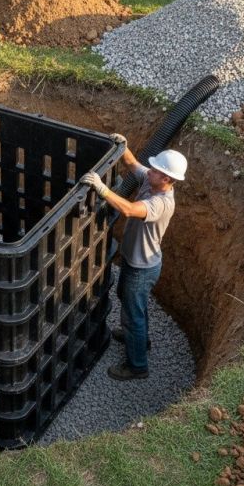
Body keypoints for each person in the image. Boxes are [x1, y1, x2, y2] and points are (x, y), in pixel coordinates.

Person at [80, 136, 187, 381]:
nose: (150, 171)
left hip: (142, 268)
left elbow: (129, 210)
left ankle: (137, 366)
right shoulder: (152, 181)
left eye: (156, 170)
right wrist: (123, 145)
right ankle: (140, 340)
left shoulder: (161, 203)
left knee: (132, 314)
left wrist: (102, 189)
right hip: (137, 262)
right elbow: (132, 164)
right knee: (131, 303)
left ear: (166, 179)